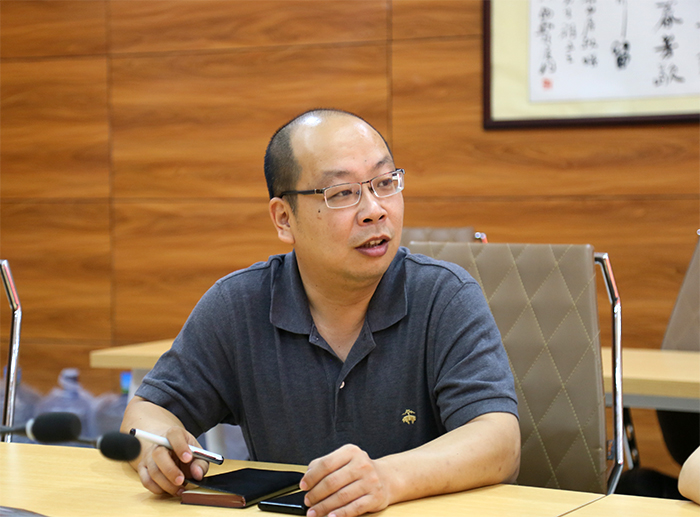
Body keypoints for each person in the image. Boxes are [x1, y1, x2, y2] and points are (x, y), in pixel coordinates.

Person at [121, 109, 520, 517]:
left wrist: (388, 479)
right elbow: (147, 412)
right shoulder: (238, 305)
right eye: (342, 193)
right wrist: (157, 450)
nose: (375, 210)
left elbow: (499, 441)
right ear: (284, 219)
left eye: (385, 183)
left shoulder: (444, 296)